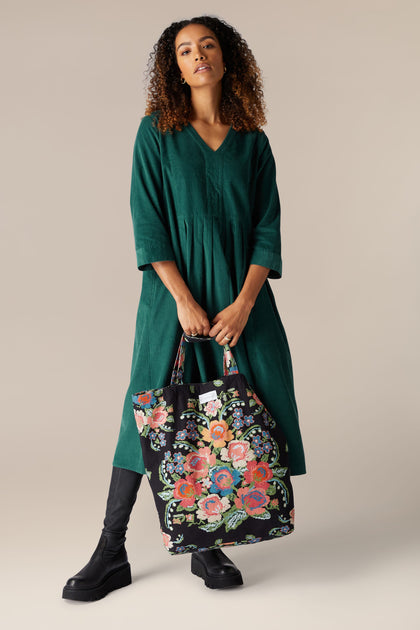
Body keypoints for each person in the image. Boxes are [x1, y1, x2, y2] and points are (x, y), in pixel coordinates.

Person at [62, 14, 307, 601]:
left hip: (239, 302)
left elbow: (266, 230)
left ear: (228, 59)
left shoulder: (254, 140)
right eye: (184, 50)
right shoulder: (157, 132)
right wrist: (182, 301)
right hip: (172, 299)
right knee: (147, 411)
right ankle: (110, 549)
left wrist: (245, 303)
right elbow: (148, 225)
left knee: (237, 406)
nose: (198, 56)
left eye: (208, 46)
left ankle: (206, 545)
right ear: (173, 67)